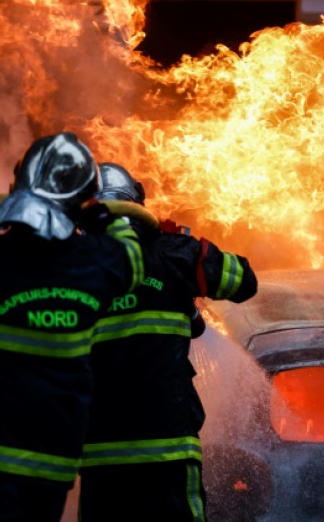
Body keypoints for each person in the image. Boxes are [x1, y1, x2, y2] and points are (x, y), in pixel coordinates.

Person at [0, 133, 144, 522]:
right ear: (82, 202)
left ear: (16, 188)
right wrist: (105, 220)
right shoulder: (99, 264)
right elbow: (134, 262)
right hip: (54, 462)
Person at [77, 162, 258, 522]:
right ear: (136, 204)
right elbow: (244, 282)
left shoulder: (72, 271)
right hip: (167, 448)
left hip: (99, 454)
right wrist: (181, 246)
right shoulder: (174, 254)